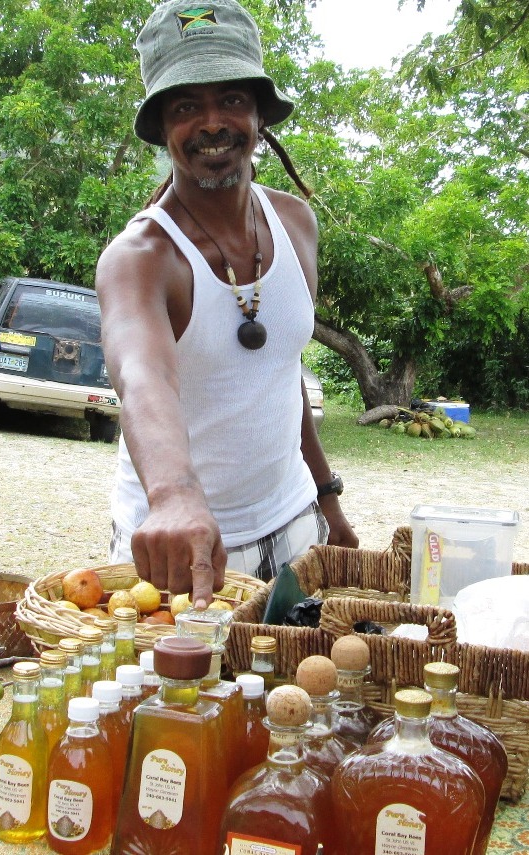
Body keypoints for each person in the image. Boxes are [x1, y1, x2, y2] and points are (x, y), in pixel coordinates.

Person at [96, 0, 358, 609]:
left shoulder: (295, 224)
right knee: (178, 704)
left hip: (292, 526)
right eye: (187, 106)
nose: (212, 122)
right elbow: (142, 378)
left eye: (232, 100)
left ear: (260, 115)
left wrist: (326, 497)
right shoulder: (141, 257)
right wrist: (174, 495)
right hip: (177, 547)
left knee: (293, 697)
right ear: (162, 126)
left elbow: (281, 374)